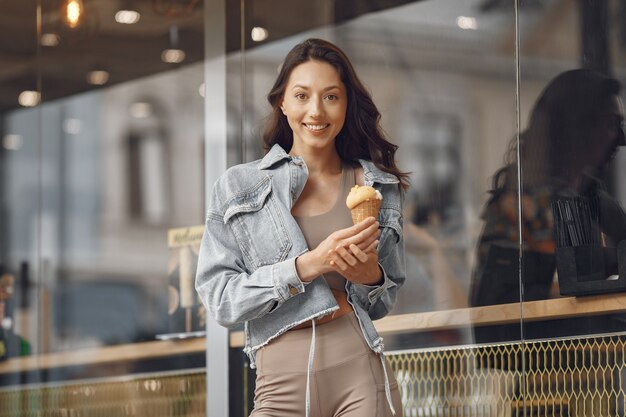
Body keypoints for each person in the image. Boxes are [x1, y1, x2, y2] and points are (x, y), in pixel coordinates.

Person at [195, 38, 409, 417]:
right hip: (279, 382)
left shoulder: (377, 185)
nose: (316, 111)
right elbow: (222, 300)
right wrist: (308, 265)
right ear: (282, 101)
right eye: (301, 95)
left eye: (331, 97)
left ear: (346, 104)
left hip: (358, 367)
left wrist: (370, 277)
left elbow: (384, 298)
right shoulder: (238, 187)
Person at [469, 69, 626, 341]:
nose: (621, 139)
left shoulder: (590, 197)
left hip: (591, 370)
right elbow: (500, 320)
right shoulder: (525, 206)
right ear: (580, 126)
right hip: (551, 373)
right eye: (612, 123)